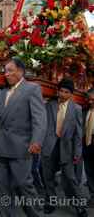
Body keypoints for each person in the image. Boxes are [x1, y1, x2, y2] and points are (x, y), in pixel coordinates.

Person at [0, 57, 47, 217]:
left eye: (10, 70)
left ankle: (35, 214)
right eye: (5, 71)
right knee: (1, 187)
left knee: (24, 185)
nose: (6, 74)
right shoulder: (2, 92)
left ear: (21, 71)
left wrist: (36, 141)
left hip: (21, 147)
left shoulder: (32, 88)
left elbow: (40, 118)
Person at [41, 78, 88, 217]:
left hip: (67, 149)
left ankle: (79, 206)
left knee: (70, 179)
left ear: (71, 94)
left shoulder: (77, 109)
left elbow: (79, 134)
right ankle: (51, 202)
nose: (62, 94)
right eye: (61, 91)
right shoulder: (50, 105)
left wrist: (77, 153)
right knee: (48, 178)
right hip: (49, 147)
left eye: (66, 92)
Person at [83, 87, 94, 207]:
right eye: (89, 99)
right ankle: (92, 196)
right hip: (87, 145)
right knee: (89, 172)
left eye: (93, 100)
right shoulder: (84, 111)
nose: (90, 102)